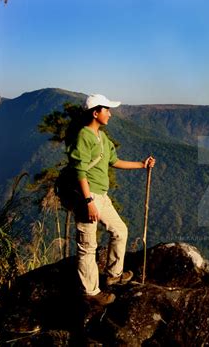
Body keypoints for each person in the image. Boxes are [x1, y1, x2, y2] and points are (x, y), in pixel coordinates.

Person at [68, 94, 155, 305]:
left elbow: (114, 161)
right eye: (107, 109)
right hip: (87, 196)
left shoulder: (102, 137)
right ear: (95, 113)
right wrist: (88, 201)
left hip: (102, 196)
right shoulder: (84, 136)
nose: (111, 113)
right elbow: (79, 170)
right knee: (88, 246)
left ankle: (114, 274)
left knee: (120, 230)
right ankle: (91, 293)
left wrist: (142, 164)